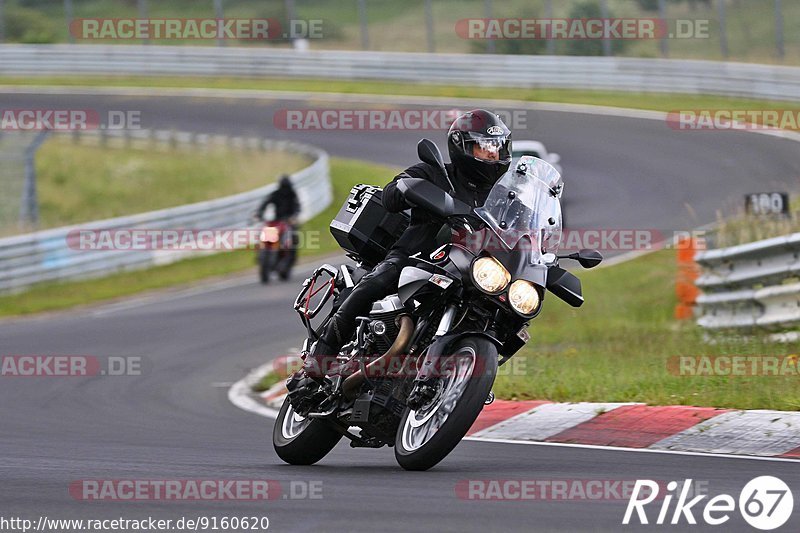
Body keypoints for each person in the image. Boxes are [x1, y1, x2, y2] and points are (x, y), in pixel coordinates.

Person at [290, 109, 512, 389]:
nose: (493, 155)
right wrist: (410, 189)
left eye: (498, 147)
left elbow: (529, 233)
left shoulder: (505, 196)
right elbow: (391, 195)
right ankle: (319, 359)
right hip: (417, 258)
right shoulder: (436, 172)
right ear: (462, 147)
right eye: (485, 148)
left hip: (471, 273)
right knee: (377, 281)